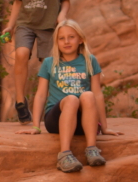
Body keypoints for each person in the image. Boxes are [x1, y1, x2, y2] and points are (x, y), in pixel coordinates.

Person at [17, 19, 121, 171]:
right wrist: (35, 126)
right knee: (72, 99)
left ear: (80, 39)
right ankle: (64, 155)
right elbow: (40, 95)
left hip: (83, 121)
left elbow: (98, 95)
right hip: (56, 119)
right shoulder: (49, 63)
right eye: (61, 38)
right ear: (56, 42)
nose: (66, 41)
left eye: (71, 37)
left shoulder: (89, 60)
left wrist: (104, 128)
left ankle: (91, 149)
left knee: (88, 95)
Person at [0, 0, 74, 124]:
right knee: (22, 54)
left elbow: (66, 0)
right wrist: (10, 26)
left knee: (49, 66)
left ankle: (53, 107)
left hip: (49, 26)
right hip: (26, 23)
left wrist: (62, 14)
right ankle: (20, 102)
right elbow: (17, 2)